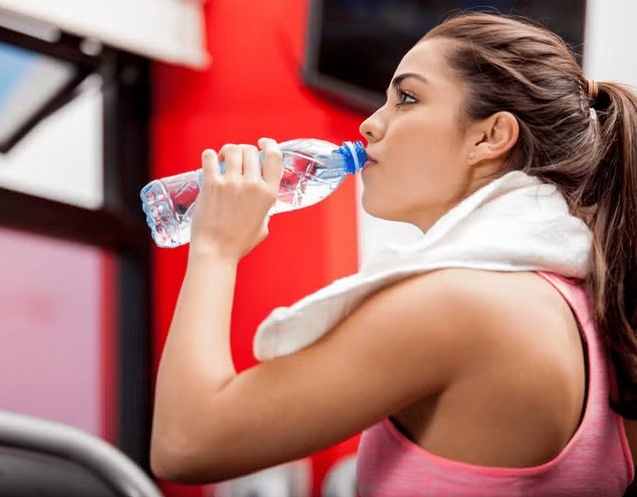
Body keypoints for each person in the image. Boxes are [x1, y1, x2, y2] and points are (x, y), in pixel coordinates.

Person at [149, 12, 637, 496]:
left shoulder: (460, 304)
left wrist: (214, 248)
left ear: (489, 137)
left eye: (407, 98)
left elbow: (185, 444)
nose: (369, 124)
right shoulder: (593, 310)